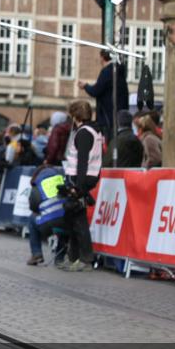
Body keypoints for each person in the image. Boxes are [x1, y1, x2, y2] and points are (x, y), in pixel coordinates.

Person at [59, 99, 103, 272]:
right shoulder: (93, 131)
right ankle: (74, 257)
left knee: (79, 222)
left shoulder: (83, 133)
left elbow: (82, 161)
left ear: (75, 115)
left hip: (81, 179)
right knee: (75, 220)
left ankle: (84, 259)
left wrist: (78, 187)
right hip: (85, 178)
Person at [78, 49, 129, 139]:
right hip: (119, 114)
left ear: (102, 58)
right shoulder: (120, 71)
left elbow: (96, 90)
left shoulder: (107, 71)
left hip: (107, 117)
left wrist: (85, 86)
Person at [26, 164, 67, 266]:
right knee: (62, 221)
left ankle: (36, 254)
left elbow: (33, 206)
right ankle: (59, 259)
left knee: (32, 219)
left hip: (47, 224)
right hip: (65, 222)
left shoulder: (38, 184)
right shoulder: (61, 179)